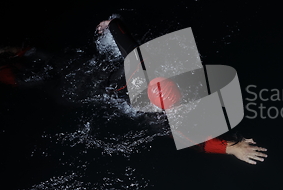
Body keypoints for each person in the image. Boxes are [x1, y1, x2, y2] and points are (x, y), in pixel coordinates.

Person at [96, 18, 268, 165]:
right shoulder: (157, 119)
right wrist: (233, 148)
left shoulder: (142, 61)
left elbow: (117, 28)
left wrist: (109, 23)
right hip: (107, 87)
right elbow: (196, 142)